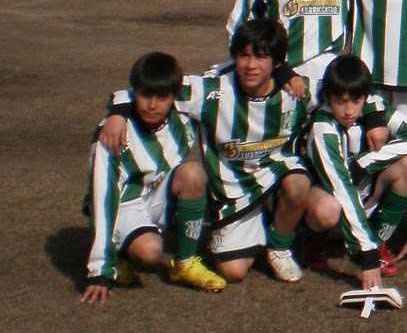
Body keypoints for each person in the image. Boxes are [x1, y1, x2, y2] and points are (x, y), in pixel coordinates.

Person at [101, 19, 312, 284]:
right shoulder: (212, 90)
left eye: (261, 57)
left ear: (278, 62)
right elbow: (150, 87)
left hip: (278, 178)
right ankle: (260, 225)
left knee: (302, 186)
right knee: (233, 272)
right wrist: (118, 112)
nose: (250, 65)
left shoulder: (295, 90)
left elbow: (342, 94)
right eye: (244, 55)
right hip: (235, 191)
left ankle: (280, 246)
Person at [80, 53, 223, 301]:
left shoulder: (184, 111)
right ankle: (119, 255)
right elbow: (103, 197)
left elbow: (224, 84)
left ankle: (185, 263)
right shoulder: (112, 136)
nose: (152, 105)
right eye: (145, 95)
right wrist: (99, 270)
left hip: (155, 193)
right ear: (134, 93)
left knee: (193, 174)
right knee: (150, 251)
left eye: (161, 97)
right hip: (123, 204)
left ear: (173, 95)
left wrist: (283, 74)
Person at [299, 55, 407, 286]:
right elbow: (341, 187)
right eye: (340, 101)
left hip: (365, 190)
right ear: (327, 97)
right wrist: (368, 257)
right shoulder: (323, 127)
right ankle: (316, 242)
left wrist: (369, 159)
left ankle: (377, 238)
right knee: (328, 209)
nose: (349, 110)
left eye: (356, 100)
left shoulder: (374, 110)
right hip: (330, 194)